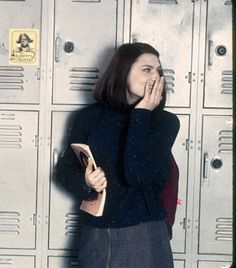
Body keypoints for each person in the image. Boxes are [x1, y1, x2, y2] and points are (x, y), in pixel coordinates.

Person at [57, 42, 180, 268]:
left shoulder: (165, 122)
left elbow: (137, 174)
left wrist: (142, 113)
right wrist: (85, 181)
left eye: (159, 71)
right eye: (147, 69)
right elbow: (64, 170)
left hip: (144, 232)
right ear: (122, 72)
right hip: (96, 232)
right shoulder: (88, 117)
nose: (156, 77)